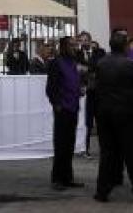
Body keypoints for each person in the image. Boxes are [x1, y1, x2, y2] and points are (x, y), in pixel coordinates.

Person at [93, 32, 133, 204]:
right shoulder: (129, 64)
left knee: (107, 153)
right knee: (132, 154)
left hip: (105, 113)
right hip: (126, 114)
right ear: (125, 46)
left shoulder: (101, 63)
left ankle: (101, 192)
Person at [46, 36, 84, 191]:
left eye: (76, 45)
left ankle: (68, 177)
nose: (75, 48)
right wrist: (57, 104)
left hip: (73, 107)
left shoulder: (73, 63)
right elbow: (51, 88)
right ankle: (57, 179)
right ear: (64, 47)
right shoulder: (56, 63)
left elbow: (74, 81)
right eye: (72, 45)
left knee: (69, 145)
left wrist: (79, 90)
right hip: (63, 109)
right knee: (61, 144)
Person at [77, 30, 105, 159]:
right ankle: (85, 149)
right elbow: (75, 69)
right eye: (81, 40)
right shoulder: (77, 54)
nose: (84, 42)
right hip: (85, 93)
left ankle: (105, 149)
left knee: (102, 122)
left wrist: (85, 69)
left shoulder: (100, 52)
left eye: (86, 40)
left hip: (99, 92)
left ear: (90, 40)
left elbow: (100, 67)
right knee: (87, 123)